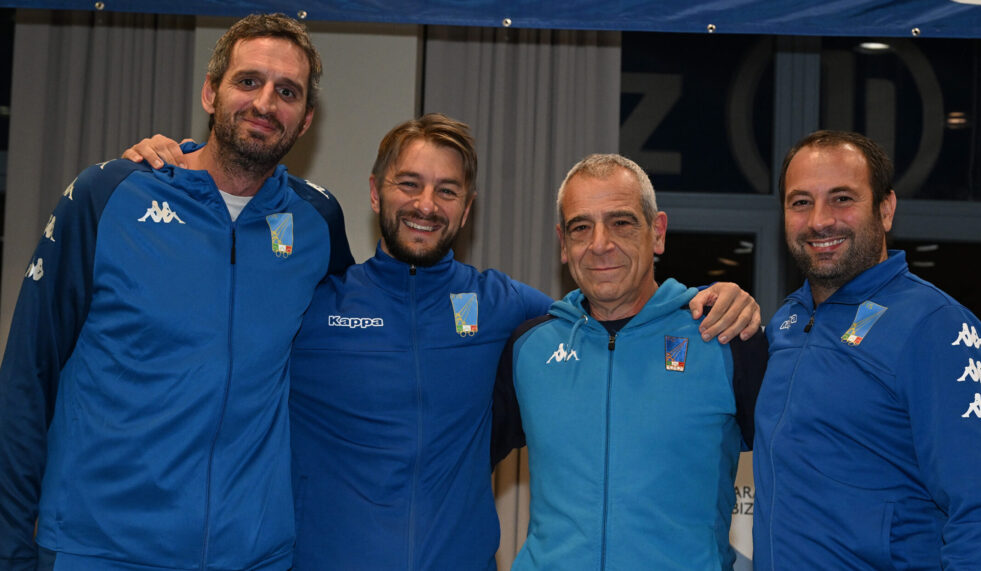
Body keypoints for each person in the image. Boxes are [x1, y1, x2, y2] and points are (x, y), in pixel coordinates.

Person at [122, 114, 761, 570]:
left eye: (447, 190)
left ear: (467, 208)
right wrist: (186, 162)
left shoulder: (515, 315)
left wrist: (715, 296)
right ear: (375, 191)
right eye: (409, 184)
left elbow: (615, 310)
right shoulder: (312, 304)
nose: (426, 204)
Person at [0, 14, 353, 571]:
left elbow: (350, 356)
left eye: (288, 92)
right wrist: (10, 548)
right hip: (100, 549)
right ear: (211, 92)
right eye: (248, 81)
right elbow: (27, 377)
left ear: (306, 119)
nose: (265, 103)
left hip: (252, 556)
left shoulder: (317, 221)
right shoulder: (107, 195)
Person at [492, 154, 769, 570]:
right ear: (563, 244)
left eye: (621, 222)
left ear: (657, 233)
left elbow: (800, 476)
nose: (600, 244)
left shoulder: (724, 337)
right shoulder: (528, 348)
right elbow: (455, 463)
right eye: (581, 227)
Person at [753, 130, 981, 570]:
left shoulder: (937, 325)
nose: (819, 220)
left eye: (842, 199)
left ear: (886, 209)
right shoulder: (787, 323)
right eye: (800, 202)